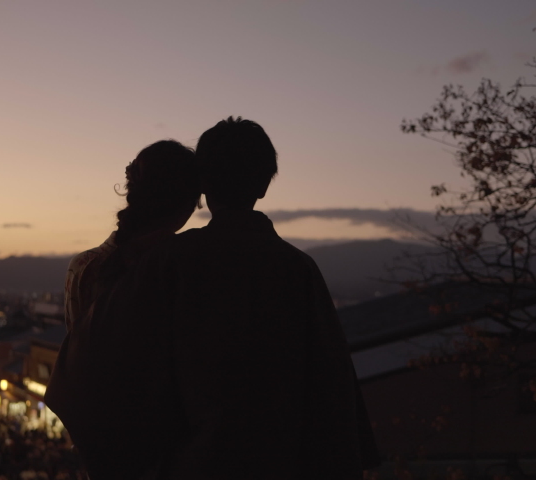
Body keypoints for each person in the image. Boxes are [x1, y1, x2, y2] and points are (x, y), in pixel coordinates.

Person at [68, 117, 379, 479]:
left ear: (203, 184)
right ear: (263, 185)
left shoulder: (166, 263)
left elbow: (100, 375)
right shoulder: (300, 270)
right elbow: (332, 392)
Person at [45, 139, 202, 478]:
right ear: (186, 203)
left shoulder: (84, 267)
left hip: (101, 446)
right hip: (168, 451)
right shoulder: (188, 265)